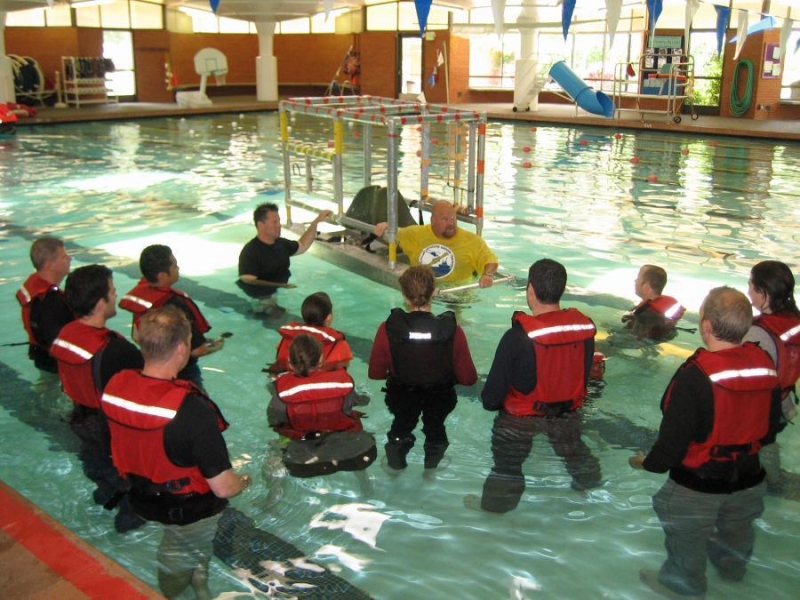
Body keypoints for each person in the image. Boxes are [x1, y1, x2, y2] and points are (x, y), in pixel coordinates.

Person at [630, 286, 782, 600]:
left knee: (685, 537)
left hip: (698, 486)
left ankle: (682, 587)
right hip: (750, 479)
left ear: (707, 327)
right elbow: (769, 430)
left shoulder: (694, 375)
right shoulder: (765, 364)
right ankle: (732, 571)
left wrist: (644, 463)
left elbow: (670, 449)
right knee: (737, 529)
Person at [101, 305, 250, 599]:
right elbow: (223, 488)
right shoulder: (191, 410)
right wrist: (246, 481)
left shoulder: (116, 386)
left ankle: (200, 585)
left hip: (140, 495)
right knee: (177, 554)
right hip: (187, 508)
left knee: (192, 546)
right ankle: (172, 592)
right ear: (182, 347)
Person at [473, 258, 601, 513]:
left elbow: (490, 399)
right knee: (577, 456)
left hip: (520, 422)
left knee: (506, 468)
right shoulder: (585, 328)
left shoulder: (517, 337)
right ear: (561, 290)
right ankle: (589, 490)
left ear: (530, 290)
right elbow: (584, 374)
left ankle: (495, 510)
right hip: (567, 415)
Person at [50, 264, 145, 532]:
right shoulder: (116, 350)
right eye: (112, 292)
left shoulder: (66, 334)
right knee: (129, 479)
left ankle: (105, 496)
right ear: (100, 302)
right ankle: (128, 523)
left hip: (79, 418)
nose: (116, 296)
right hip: (109, 429)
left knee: (99, 466)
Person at [368, 266, 477, 470]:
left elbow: (375, 373)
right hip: (440, 396)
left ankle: (396, 464)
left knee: (401, 426)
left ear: (404, 295)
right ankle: (431, 466)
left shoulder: (388, 328)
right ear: (433, 292)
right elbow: (469, 378)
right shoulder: (452, 330)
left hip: (401, 395)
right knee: (436, 429)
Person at [268, 333, 374, 478]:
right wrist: (364, 396)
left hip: (303, 464)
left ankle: (272, 496)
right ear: (321, 361)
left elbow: (274, 421)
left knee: (273, 451)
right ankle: (365, 486)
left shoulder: (281, 396)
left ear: (290, 363)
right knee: (353, 436)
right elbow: (361, 401)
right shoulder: (342, 385)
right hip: (356, 456)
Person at [119, 244, 223, 386]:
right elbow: (197, 350)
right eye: (174, 266)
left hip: (151, 368)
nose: (178, 268)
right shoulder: (176, 304)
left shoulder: (143, 297)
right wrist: (218, 344)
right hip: (182, 371)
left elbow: (136, 336)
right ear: (162, 275)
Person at [743, 260, 800, 491]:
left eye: (751, 285)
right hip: (786, 404)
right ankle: (773, 477)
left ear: (763, 292)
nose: (748, 291)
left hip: (763, 411)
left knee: (753, 448)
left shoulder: (757, 332)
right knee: (768, 442)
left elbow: (744, 383)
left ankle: (761, 483)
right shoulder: (794, 320)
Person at [374, 200, 499, 287]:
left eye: (452, 218)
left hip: (458, 294)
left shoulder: (472, 241)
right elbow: (395, 233)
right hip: (423, 292)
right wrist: (386, 226)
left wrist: (487, 275)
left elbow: (490, 259)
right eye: (445, 219)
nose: (450, 223)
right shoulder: (416, 234)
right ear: (433, 220)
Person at [237, 203, 332, 313]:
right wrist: (281, 285)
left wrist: (316, 222)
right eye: (275, 222)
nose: (279, 225)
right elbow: (248, 280)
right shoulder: (250, 252)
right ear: (261, 225)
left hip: (278, 290)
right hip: (261, 297)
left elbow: (302, 245)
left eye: (279, 221)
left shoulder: (280, 244)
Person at [15, 237, 74, 372]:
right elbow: (60, 346)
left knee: (46, 387)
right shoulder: (51, 302)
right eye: (64, 256)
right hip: (55, 363)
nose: (69, 259)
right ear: (49, 264)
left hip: (40, 354)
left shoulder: (36, 286)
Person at [267, 291, 353, 375]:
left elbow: (279, 359)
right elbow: (342, 372)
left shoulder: (288, 337)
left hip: (286, 382)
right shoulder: (339, 345)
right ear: (329, 317)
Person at [621, 264, 686, 340]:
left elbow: (634, 339)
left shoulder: (647, 314)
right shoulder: (654, 307)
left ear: (646, 286)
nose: (635, 280)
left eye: (638, 277)